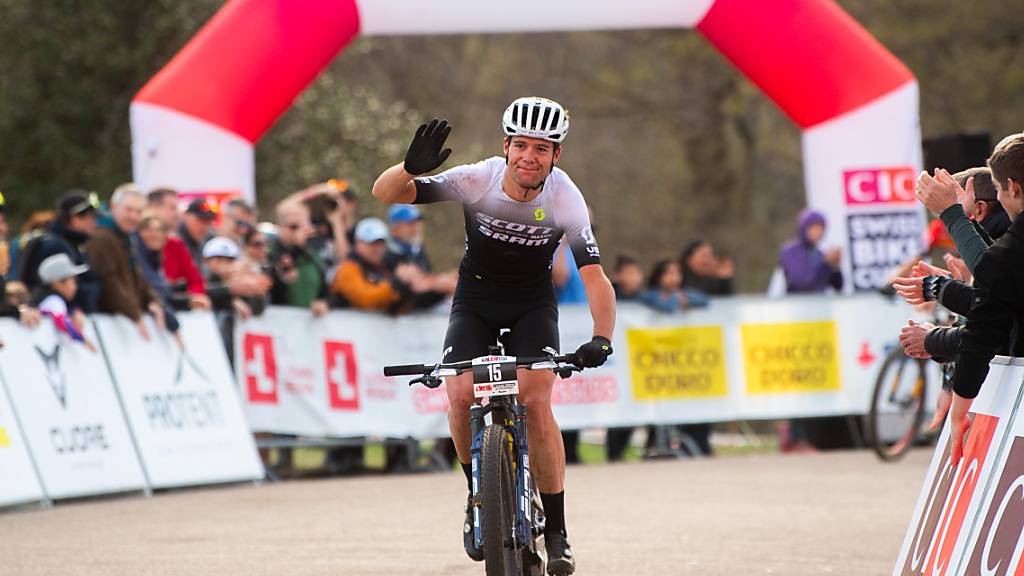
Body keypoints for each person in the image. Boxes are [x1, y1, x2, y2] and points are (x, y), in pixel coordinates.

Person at [371, 97, 615, 573]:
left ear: (555, 156)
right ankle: (477, 495)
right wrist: (408, 168)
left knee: (537, 398)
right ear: (506, 146)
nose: (529, 156)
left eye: (541, 149)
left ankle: (559, 530)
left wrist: (601, 337)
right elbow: (385, 194)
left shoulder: (564, 197)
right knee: (459, 394)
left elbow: (594, 278)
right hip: (476, 300)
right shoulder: (476, 180)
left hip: (532, 303)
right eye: (521, 145)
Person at [915, 134, 1024, 462]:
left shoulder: (1010, 246)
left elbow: (990, 321)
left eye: (1000, 189)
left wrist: (936, 340)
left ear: (1013, 188)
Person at [87, 184, 166, 340]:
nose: (133, 217)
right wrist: (134, 313)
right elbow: (108, 281)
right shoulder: (102, 237)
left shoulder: (126, 238)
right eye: (129, 210)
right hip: (111, 326)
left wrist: (151, 301)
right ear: (114, 207)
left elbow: (136, 275)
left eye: (138, 212)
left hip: (123, 321)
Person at [16, 191, 102, 313]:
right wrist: (72, 309)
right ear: (74, 218)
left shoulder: (74, 245)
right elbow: (50, 290)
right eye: (91, 217)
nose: (94, 223)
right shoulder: (55, 247)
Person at [331, 217, 429, 313]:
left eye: (381, 243)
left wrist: (408, 287)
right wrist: (397, 284)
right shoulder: (347, 269)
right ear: (358, 243)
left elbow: (393, 309)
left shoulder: (384, 269)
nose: (378, 248)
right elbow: (365, 300)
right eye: (372, 243)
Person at [384, 204, 457, 308]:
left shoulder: (416, 250)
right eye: (410, 224)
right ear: (395, 229)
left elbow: (424, 281)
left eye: (417, 223)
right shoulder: (386, 253)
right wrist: (435, 285)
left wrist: (439, 283)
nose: (416, 228)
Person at [147, 188, 210, 310]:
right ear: (153, 207)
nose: (177, 215)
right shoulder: (134, 243)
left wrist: (194, 298)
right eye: (172, 208)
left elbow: (196, 280)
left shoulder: (176, 245)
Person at [269, 202, 329, 317]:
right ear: (280, 227)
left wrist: (324, 303)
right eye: (293, 227)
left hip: (307, 328)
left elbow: (326, 291)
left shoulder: (312, 257)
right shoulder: (269, 254)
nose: (298, 232)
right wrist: (296, 248)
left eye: (303, 226)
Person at [30, 254, 97, 352]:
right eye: (73, 281)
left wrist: (72, 312)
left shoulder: (47, 298)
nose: (75, 286)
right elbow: (62, 322)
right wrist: (82, 339)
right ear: (57, 283)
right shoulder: (54, 300)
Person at [779, 209, 843, 294]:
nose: (818, 233)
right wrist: (825, 263)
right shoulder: (790, 251)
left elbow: (837, 286)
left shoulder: (819, 253)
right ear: (804, 228)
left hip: (820, 304)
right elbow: (802, 283)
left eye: (821, 229)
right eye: (815, 228)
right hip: (798, 304)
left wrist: (835, 267)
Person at [639, 259, 710, 312]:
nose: (675, 277)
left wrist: (687, 301)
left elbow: (704, 299)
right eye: (670, 273)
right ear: (658, 276)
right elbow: (664, 305)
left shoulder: (684, 292)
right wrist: (677, 299)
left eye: (678, 273)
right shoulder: (652, 294)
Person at [178, 199, 217, 272]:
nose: (204, 226)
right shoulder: (174, 240)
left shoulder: (212, 240)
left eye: (208, 222)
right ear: (186, 216)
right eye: (201, 220)